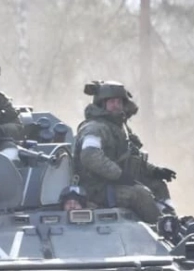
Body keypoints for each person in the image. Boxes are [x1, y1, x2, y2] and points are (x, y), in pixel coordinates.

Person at [73, 81, 176, 223]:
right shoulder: (94, 128)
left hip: (115, 182)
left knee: (157, 185)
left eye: (119, 102)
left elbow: (131, 158)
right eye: (111, 102)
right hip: (97, 189)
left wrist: (155, 171)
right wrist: (119, 175)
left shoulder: (120, 129)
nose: (116, 105)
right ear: (102, 104)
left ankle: (172, 221)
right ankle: (161, 227)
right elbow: (90, 156)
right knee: (140, 194)